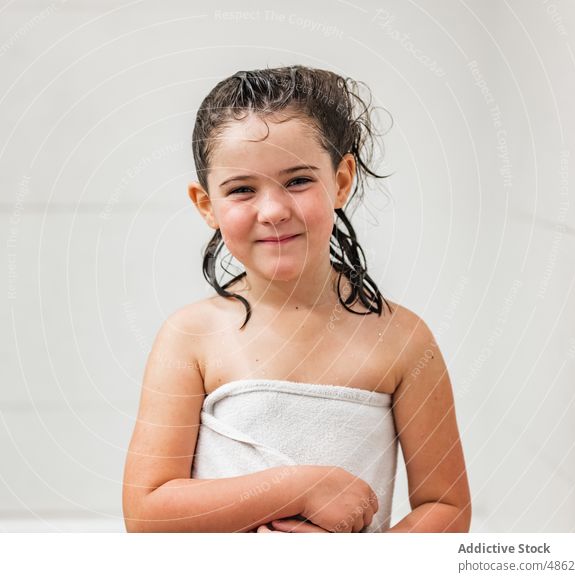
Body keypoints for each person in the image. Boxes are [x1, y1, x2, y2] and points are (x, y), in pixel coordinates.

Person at [122, 65, 470, 533]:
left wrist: (358, 565)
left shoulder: (402, 339)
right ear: (206, 205)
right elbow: (146, 512)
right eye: (242, 189)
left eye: (299, 181)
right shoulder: (191, 337)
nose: (273, 211)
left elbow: (446, 507)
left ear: (342, 181)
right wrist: (300, 488)